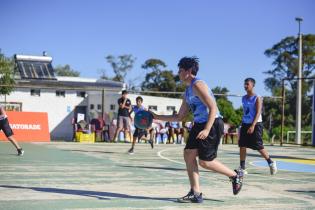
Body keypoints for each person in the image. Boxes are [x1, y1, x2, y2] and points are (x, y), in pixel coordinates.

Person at [150, 57, 243, 203]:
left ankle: (235, 175)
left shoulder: (198, 85)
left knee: (205, 162)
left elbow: (213, 108)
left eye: (180, 70)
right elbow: (180, 116)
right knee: (188, 154)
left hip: (211, 124)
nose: (178, 73)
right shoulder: (187, 91)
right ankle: (196, 193)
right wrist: (157, 116)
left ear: (188, 71)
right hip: (199, 124)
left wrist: (206, 129)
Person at [239, 78, 277, 175]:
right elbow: (245, 112)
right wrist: (243, 123)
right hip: (245, 124)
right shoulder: (243, 98)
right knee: (242, 145)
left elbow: (258, 112)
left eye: (247, 84)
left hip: (256, 124)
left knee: (258, 146)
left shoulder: (257, 98)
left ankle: (271, 162)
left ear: (253, 85)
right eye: (244, 84)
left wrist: (253, 125)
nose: (245, 86)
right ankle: (242, 167)